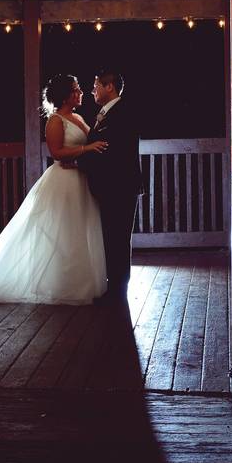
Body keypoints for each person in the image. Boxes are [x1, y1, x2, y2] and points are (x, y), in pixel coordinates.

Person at [0, 74, 109, 305]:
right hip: (63, 182)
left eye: (79, 89)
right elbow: (57, 153)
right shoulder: (55, 121)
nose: (80, 93)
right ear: (64, 95)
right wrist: (86, 148)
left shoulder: (78, 117)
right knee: (64, 232)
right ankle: (64, 285)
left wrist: (86, 154)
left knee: (79, 231)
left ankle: (82, 283)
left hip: (80, 179)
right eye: (75, 89)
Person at [76, 70, 143, 300]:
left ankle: (117, 291)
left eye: (96, 86)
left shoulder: (124, 112)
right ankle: (113, 287)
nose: (93, 90)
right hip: (111, 185)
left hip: (120, 185)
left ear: (110, 87)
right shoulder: (105, 113)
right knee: (112, 238)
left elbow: (108, 150)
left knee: (118, 239)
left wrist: (80, 160)